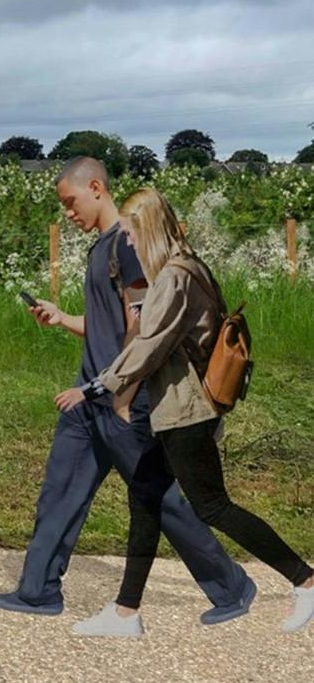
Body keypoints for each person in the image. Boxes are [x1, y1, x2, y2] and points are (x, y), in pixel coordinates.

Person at [0, 157, 253, 623]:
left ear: (96, 187)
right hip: (88, 396)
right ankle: (38, 591)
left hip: (119, 400)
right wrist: (62, 318)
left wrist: (122, 397)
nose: (68, 215)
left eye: (71, 203)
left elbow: (142, 326)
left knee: (163, 502)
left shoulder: (129, 246)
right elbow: (109, 324)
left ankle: (232, 587)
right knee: (60, 490)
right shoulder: (103, 248)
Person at [63, 187, 314, 636]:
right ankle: (125, 613)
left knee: (212, 506)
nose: (131, 244)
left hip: (186, 411)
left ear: (148, 230)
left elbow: (149, 346)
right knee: (144, 497)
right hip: (178, 408)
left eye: (132, 235)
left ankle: (306, 580)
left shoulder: (174, 277)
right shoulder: (189, 266)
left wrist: (98, 386)